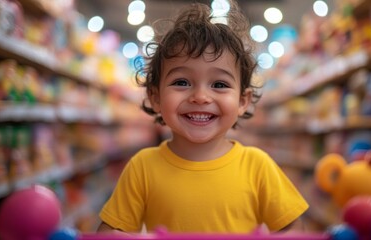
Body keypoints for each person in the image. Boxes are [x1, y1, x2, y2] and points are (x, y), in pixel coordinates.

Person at [97, 0, 309, 234]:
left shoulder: (257, 166)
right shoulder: (142, 167)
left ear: (242, 101)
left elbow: (293, 229)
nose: (200, 97)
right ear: (155, 97)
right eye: (182, 82)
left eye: (219, 84)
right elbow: (109, 232)